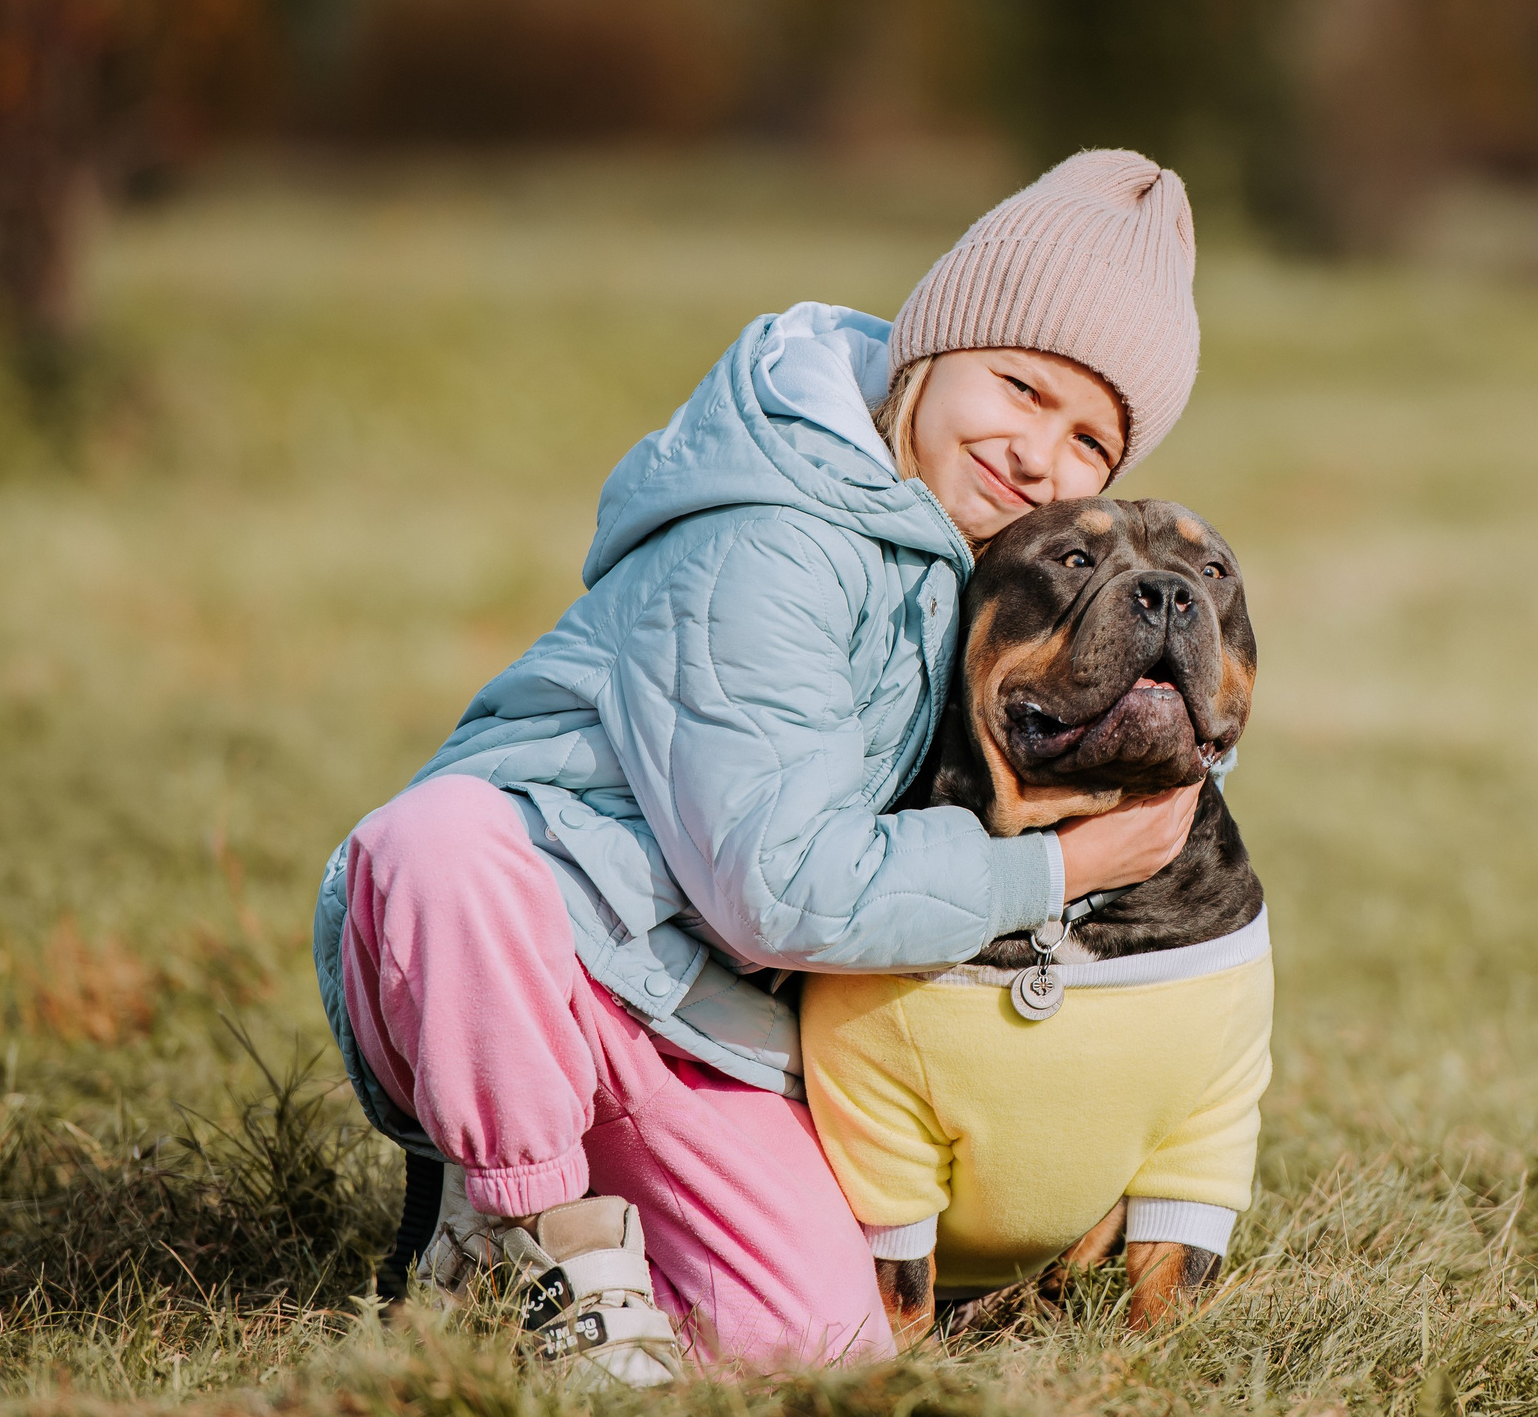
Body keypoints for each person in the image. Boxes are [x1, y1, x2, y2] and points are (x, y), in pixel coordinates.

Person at [310, 150, 1206, 1381]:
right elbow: (773, 884)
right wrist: (1046, 870)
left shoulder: (975, 562)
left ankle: (576, 1234)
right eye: (1019, 384)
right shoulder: (772, 532)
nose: (1039, 451)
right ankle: (526, 1225)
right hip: (531, 944)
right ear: (930, 348)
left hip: (699, 1017)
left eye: (1090, 437)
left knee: (813, 1348)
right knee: (447, 842)